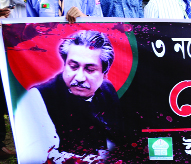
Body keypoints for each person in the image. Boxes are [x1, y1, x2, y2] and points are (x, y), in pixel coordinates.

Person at [14, 30, 122, 162]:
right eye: (73, 66)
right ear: (64, 64)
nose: (80, 77)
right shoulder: (38, 97)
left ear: (104, 73)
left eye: (90, 69)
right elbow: (40, 155)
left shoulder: (107, 89)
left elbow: (116, 139)